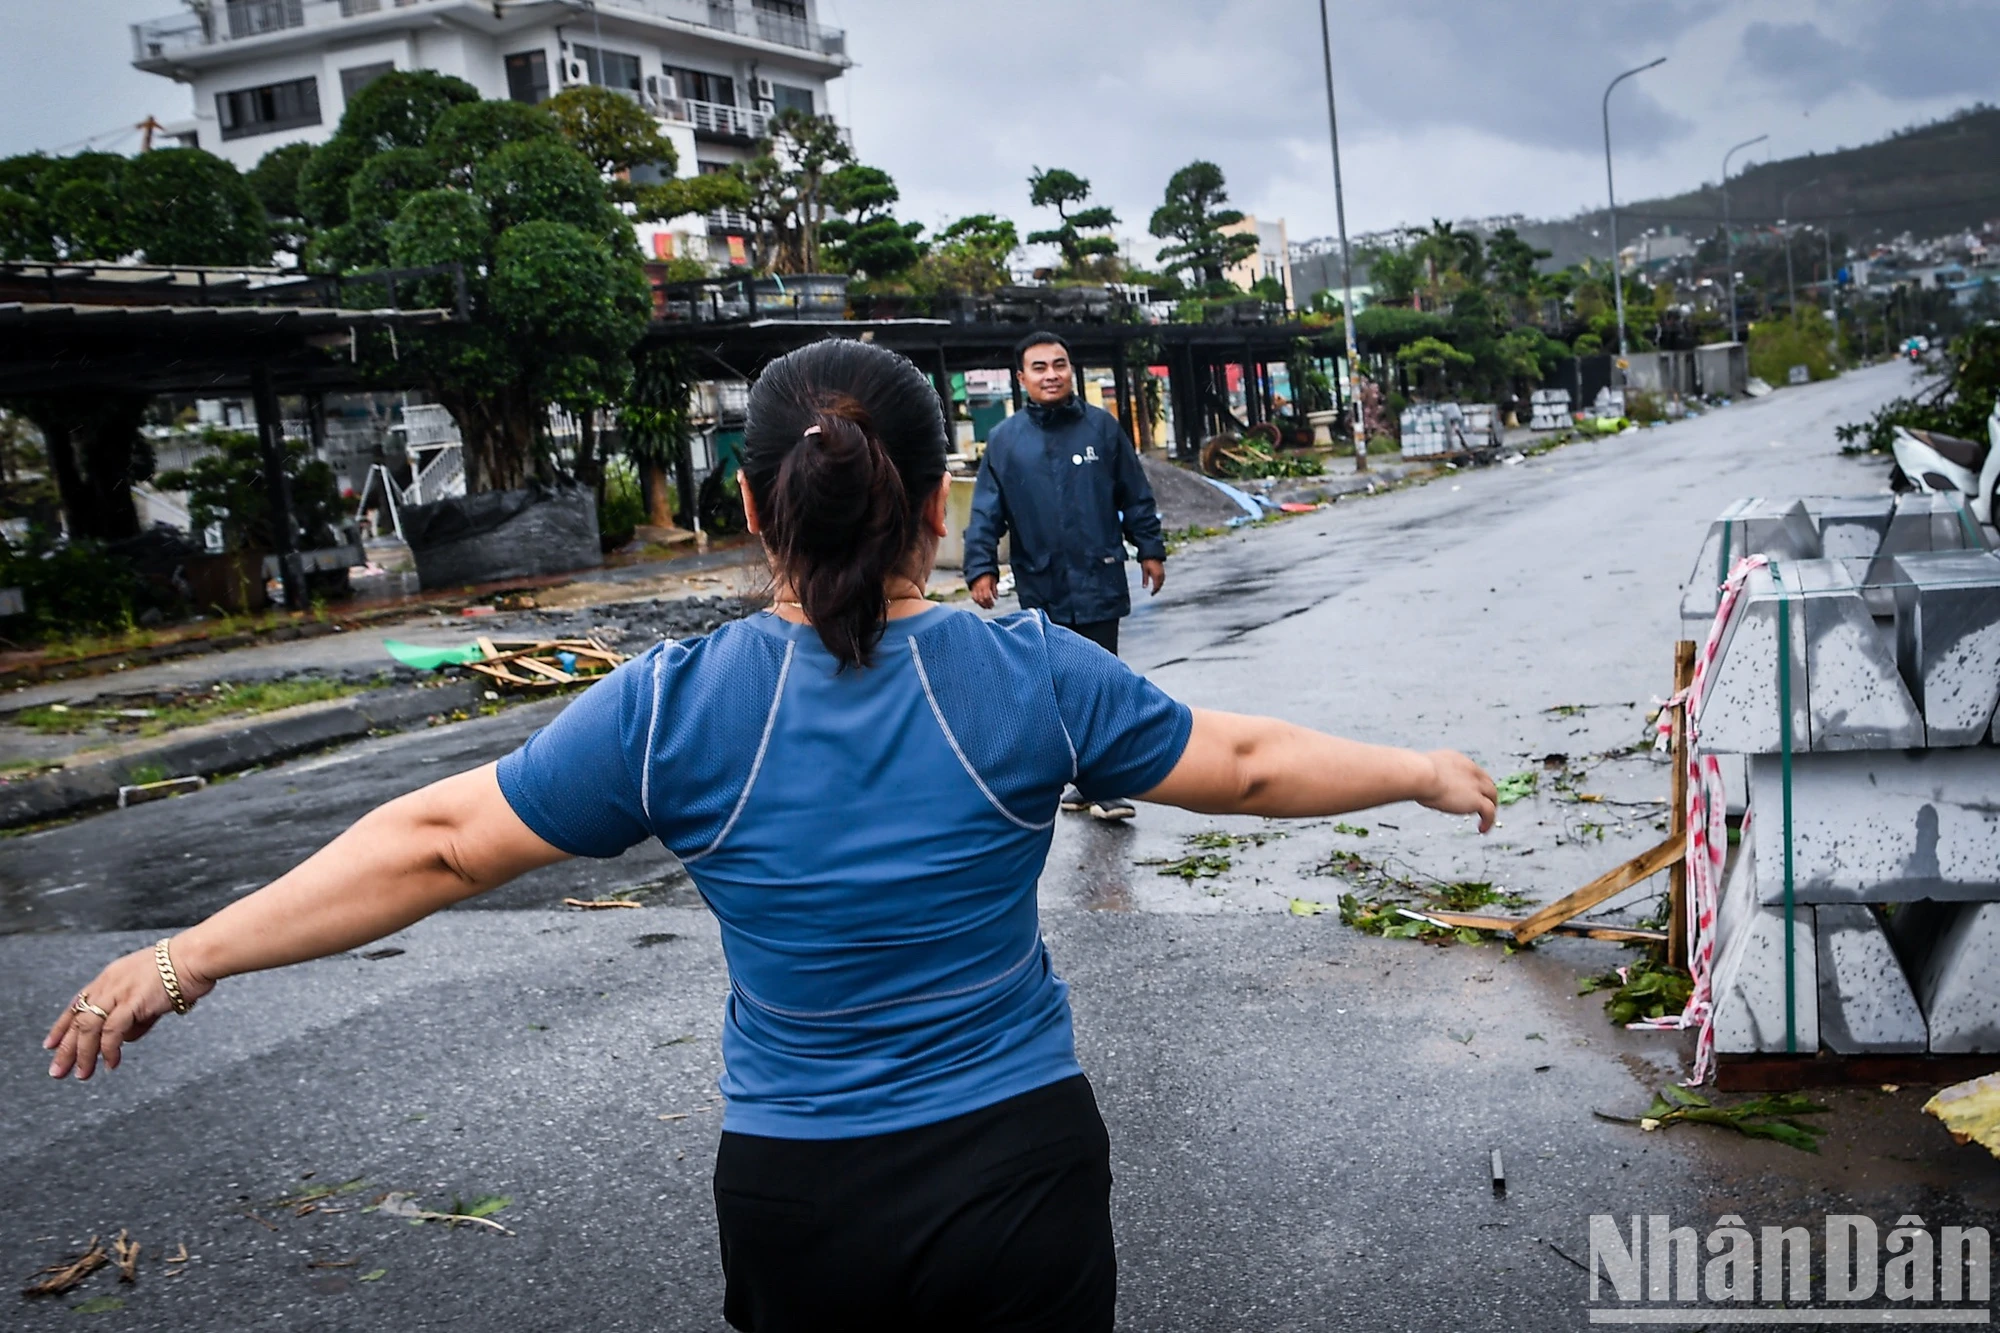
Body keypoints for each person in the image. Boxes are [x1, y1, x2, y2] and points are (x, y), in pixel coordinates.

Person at [43, 340, 1496, 1333]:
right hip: (1020, 1175)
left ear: (751, 507)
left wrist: (188, 956)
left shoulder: (678, 707)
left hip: (804, 1197)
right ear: (942, 505)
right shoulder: (1029, 674)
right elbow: (1239, 764)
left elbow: (436, 845)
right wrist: (1417, 769)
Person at [964, 331, 1165, 821]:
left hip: (1098, 577)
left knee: (1102, 682)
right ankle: (1082, 780)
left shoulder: (1102, 429)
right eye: (1039, 367)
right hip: (1042, 584)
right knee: (1053, 687)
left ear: (1071, 370)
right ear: (1022, 378)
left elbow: (1134, 496)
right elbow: (987, 511)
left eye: (1059, 364)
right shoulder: (1006, 442)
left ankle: (1106, 784)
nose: (1051, 374)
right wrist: (981, 567)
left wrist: (1150, 550)